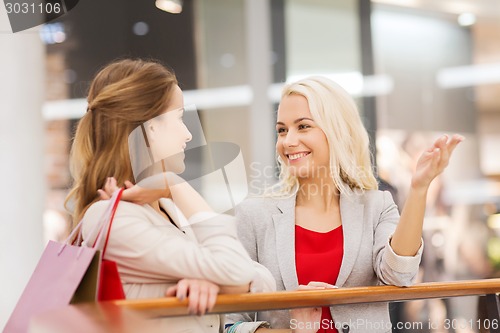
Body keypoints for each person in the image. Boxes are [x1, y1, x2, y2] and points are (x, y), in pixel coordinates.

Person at [225, 76, 463, 333]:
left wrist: (419, 188)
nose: (288, 141)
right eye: (282, 130)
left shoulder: (377, 205)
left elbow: (399, 274)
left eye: (303, 126)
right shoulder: (254, 215)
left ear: (337, 131)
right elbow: (231, 322)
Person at [65, 58, 274, 332]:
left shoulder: (166, 208)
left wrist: (216, 280)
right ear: (151, 128)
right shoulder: (113, 219)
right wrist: (176, 184)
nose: (188, 134)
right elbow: (236, 270)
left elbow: (264, 283)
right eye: (179, 117)